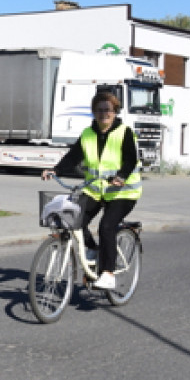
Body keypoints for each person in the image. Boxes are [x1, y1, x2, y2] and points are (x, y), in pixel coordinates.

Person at [40, 89, 141, 290]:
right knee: (74, 220)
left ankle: (108, 273)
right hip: (95, 190)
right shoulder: (87, 134)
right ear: (94, 112)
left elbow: (131, 159)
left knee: (106, 227)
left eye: (108, 110)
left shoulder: (125, 132)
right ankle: (93, 250)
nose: (104, 114)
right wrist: (55, 169)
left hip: (123, 192)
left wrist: (121, 176)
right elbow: (73, 156)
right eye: (99, 110)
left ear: (115, 112)